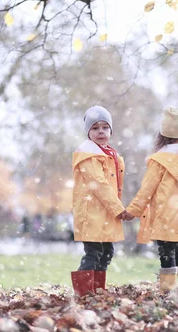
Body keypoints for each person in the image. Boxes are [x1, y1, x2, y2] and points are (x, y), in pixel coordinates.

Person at [126, 106, 178, 291]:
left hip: (164, 215)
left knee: (166, 252)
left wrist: (132, 210)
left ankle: (168, 291)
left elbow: (146, 190)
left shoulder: (160, 160)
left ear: (162, 135)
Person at [70, 105, 132, 296]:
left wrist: (115, 208)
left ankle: (97, 290)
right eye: (95, 128)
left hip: (104, 214)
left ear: (111, 130)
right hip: (92, 214)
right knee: (94, 253)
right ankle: (83, 293)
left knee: (106, 252)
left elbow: (112, 186)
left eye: (105, 127)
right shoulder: (89, 155)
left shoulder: (109, 154)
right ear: (88, 132)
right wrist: (118, 208)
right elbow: (98, 184)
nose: (101, 132)